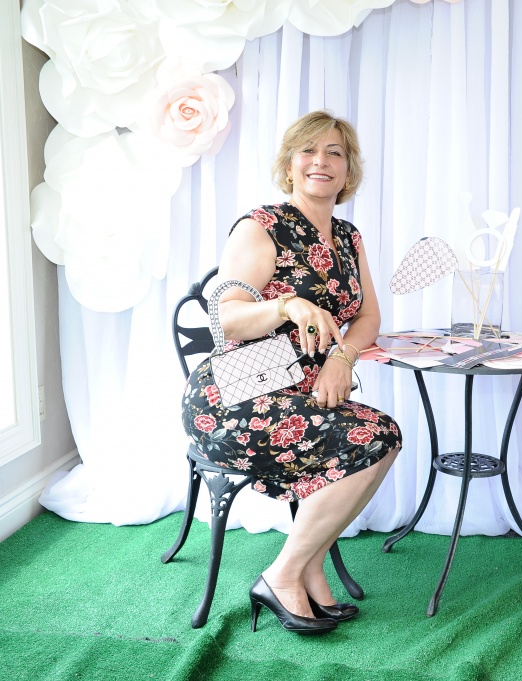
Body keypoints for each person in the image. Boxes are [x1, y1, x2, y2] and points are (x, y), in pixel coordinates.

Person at [181, 111, 402, 635]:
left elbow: (368, 317)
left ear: (348, 170)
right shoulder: (262, 227)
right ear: (288, 165)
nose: (321, 161)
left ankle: (308, 567)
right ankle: (281, 575)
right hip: (234, 396)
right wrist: (286, 305)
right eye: (308, 150)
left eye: (335, 152)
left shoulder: (348, 237)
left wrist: (341, 358)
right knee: (374, 437)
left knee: (382, 437)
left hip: (302, 392)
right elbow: (224, 318)